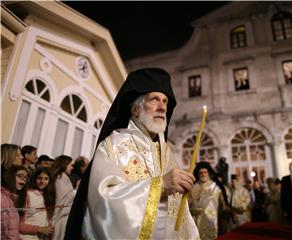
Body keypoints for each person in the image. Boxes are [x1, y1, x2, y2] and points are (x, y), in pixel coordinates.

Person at [65, 68, 199, 239]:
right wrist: (160, 186)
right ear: (136, 109)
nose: (162, 107)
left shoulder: (166, 153)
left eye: (165, 101)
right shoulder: (113, 145)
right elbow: (104, 199)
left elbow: (178, 213)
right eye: (154, 100)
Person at [190, 161, 228, 240]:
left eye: (205, 172)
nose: (203, 174)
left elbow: (223, 205)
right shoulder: (193, 187)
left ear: (208, 173)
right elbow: (188, 202)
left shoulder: (215, 187)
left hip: (211, 221)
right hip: (194, 220)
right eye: (201, 172)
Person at [18, 167, 55, 239]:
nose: (42, 181)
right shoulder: (28, 195)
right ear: (34, 179)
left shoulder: (49, 196)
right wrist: (38, 229)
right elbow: (18, 224)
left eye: (46, 179)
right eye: (39, 178)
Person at [1, 165, 29, 240]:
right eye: (20, 176)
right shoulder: (2, 198)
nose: (24, 179)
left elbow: (12, 229)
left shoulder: (15, 199)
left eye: (26, 177)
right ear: (10, 176)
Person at [51, 155, 75, 240]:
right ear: (64, 165)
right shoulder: (60, 178)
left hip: (64, 216)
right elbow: (61, 200)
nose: (72, 168)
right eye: (71, 165)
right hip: (60, 217)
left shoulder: (64, 177)